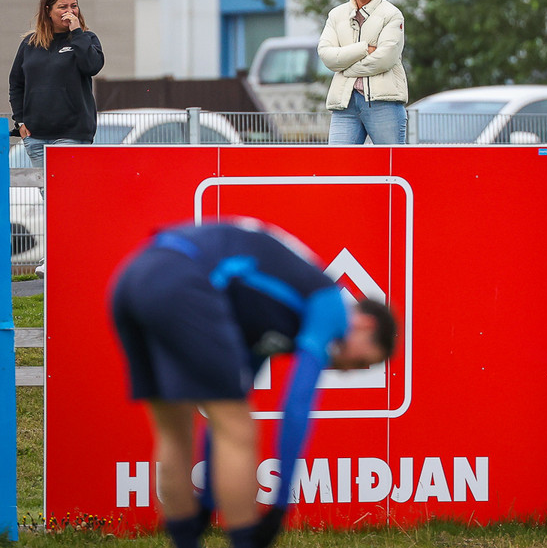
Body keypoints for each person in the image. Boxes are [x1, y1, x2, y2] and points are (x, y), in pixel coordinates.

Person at [110, 218, 397, 548]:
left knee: (175, 433)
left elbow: (224, 412)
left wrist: (208, 500)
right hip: (182, 279)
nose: (348, 371)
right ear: (365, 323)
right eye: (361, 363)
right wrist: (280, 505)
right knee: (239, 429)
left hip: (132, 279)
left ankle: (186, 539)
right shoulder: (331, 304)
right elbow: (297, 405)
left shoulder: (266, 318)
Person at [8, 0, 104, 277]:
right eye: (62, 7)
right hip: (36, 136)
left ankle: (58, 259)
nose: (69, 11)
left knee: (62, 198)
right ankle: (65, 258)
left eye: (73, 6)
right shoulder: (30, 44)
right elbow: (16, 84)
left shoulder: (85, 39)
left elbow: (92, 66)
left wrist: (77, 33)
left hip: (72, 134)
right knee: (52, 200)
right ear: (48, 11)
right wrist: (21, 122)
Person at [318, 0, 408, 144]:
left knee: (390, 161)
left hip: (384, 104)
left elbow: (385, 59)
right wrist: (363, 49)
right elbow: (326, 55)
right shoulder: (336, 15)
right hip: (345, 104)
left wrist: (345, 68)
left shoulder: (392, 14)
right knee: (337, 162)